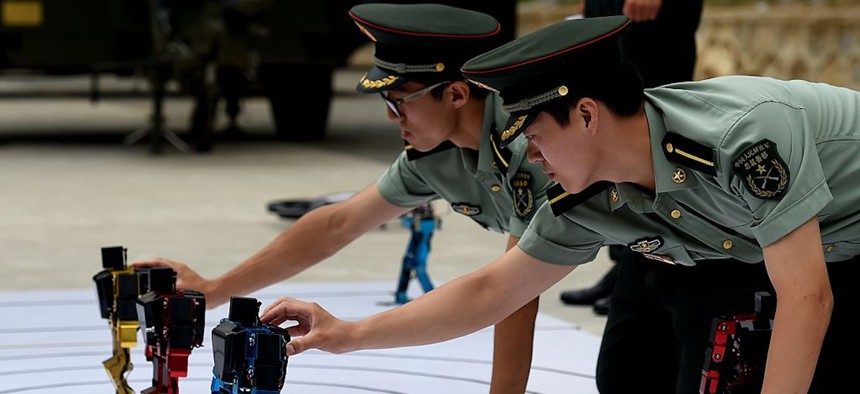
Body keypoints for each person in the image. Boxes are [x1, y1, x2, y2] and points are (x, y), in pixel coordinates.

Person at [260, 15, 858, 393]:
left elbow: (808, 297)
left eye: (534, 134)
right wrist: (347, 333)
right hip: (794, 253)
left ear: (588, 115)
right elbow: (492, 292)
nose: (530, 154)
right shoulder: (589, 197)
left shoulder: (740, 140)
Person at [133, 4, 553, 394]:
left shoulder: (531, 143)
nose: (391, 117)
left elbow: (508, 292)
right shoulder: (434, 155)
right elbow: (338, 224)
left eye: (399, 101)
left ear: (457, 95)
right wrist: (213, 289)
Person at [560, 0, 705, 315]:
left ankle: (654, 268)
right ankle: (625, 267)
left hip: (654, 17)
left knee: (644, 115)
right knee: (607, 105)